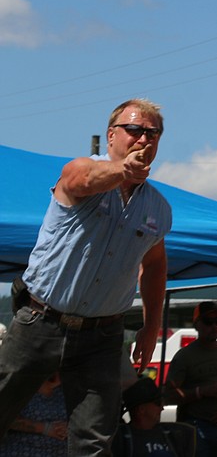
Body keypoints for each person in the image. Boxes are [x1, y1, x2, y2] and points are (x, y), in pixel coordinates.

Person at [0, 99, 172, 456]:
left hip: (102, 334)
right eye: (135, 129)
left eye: (152, 133)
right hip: (40, 320)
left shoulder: (158, 208)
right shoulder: (81, 170)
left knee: (94, 439)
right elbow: (84, 180)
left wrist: (151, 325)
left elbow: (154, 264)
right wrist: (124, 170)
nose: (144, 138)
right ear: (111, 135)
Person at [164, 302, 217, 457]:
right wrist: (201, 392)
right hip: (194, 425)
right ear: (197, 325)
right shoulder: (184, 356)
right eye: (208, 322)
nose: (214, 326)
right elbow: (168, 395)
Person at [113, 377, 194, 457]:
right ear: (141, 410)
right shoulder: (121, 439)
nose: (162, 408)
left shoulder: (174, 434)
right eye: (158, 403)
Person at [0, 373, 66, 456]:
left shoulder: (72, 392)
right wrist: (46, 428)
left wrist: (71, 428)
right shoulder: (21, 389)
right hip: (20, 450)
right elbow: (4, 418)